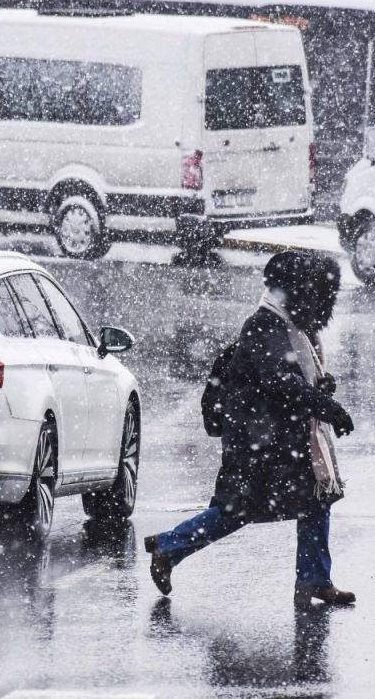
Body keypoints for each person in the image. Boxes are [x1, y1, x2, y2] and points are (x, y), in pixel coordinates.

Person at [144, 251, 357, 607]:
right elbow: (278, 381)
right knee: (235, 511)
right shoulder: (265, 325)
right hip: (256, 443)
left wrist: (319, 388)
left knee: (316, 500)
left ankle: (315, 580)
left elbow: (290, 378)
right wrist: (327, 407)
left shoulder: (289, 327)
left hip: (279, 438)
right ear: (292, 292)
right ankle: (168, 547)